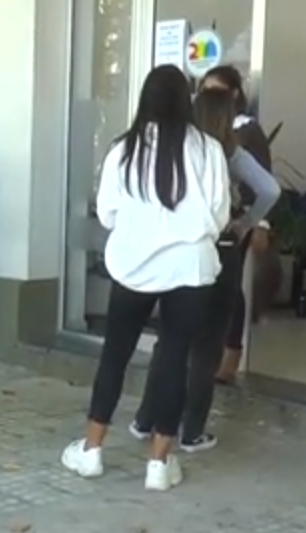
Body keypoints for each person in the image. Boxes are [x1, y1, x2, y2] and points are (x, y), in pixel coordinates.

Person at [60, 64, 231, 492]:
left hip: (133, 267)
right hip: (190, 268)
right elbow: (219, 215)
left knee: (115, 356)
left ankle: (92, 450)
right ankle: (159, 463)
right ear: (186, 100)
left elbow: (108, 212)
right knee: (174, 359)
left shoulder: (123, 149)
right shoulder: (209, 149)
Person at [127, 87, 281, 453]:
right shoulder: (230, 153)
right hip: (220, 250)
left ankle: (145, 418)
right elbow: (271, 190)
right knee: (207, 346)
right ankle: (191, 431)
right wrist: (246, 224)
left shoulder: (179, 151)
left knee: (171, 340)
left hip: (179, 252)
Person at [197, 65, 274, 383]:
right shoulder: (199, 134)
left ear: (234, 95)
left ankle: (230, 356)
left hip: (233, 223)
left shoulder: (246, 131)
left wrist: (257, 223)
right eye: (205, 90)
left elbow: (265, 182)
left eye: (216, 91)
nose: (208, 97)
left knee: (230, 289)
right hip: (208, 225)